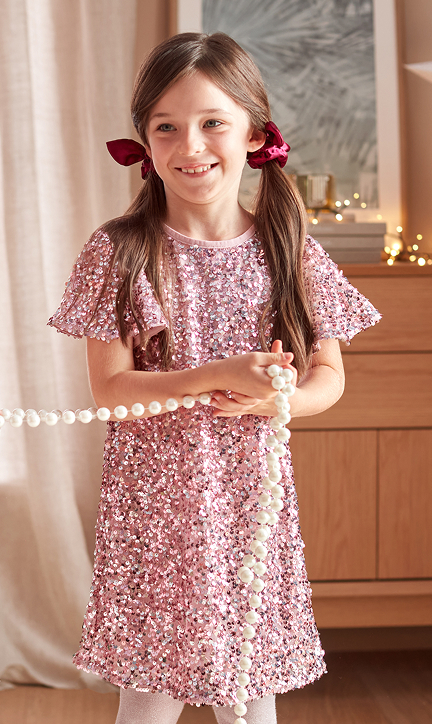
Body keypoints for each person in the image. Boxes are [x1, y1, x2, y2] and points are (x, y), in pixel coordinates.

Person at [48, 32, 380, 724]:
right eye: (166, 127)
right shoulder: (119, 252)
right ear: (144, 142)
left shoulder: (288, 248)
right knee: (147, 700)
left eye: (212, 123)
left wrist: (279, 399)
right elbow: (111, 390)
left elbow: (328, 376)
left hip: (251, 508)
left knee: (250, 700)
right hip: (153, 514)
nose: (190, 145)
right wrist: (214, 375)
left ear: (254, 134)